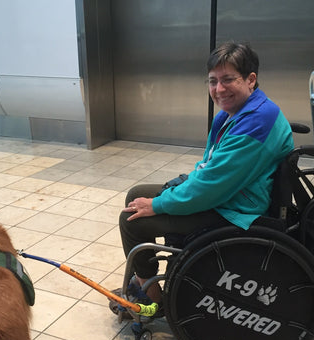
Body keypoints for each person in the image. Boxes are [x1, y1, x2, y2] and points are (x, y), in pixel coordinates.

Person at [111, 41, 295, 318]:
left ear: (250, 79)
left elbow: (213, 187)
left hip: (237, 212)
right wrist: (181, 185)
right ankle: (144, 282)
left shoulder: (257, 120)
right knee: (137, 194)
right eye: (213, 81)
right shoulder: (238, 113)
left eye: (228, 79)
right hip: (230, 196)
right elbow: (211, 166)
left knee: (132, 218)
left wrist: (160, 204)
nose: (219, 89)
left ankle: (152, 299)